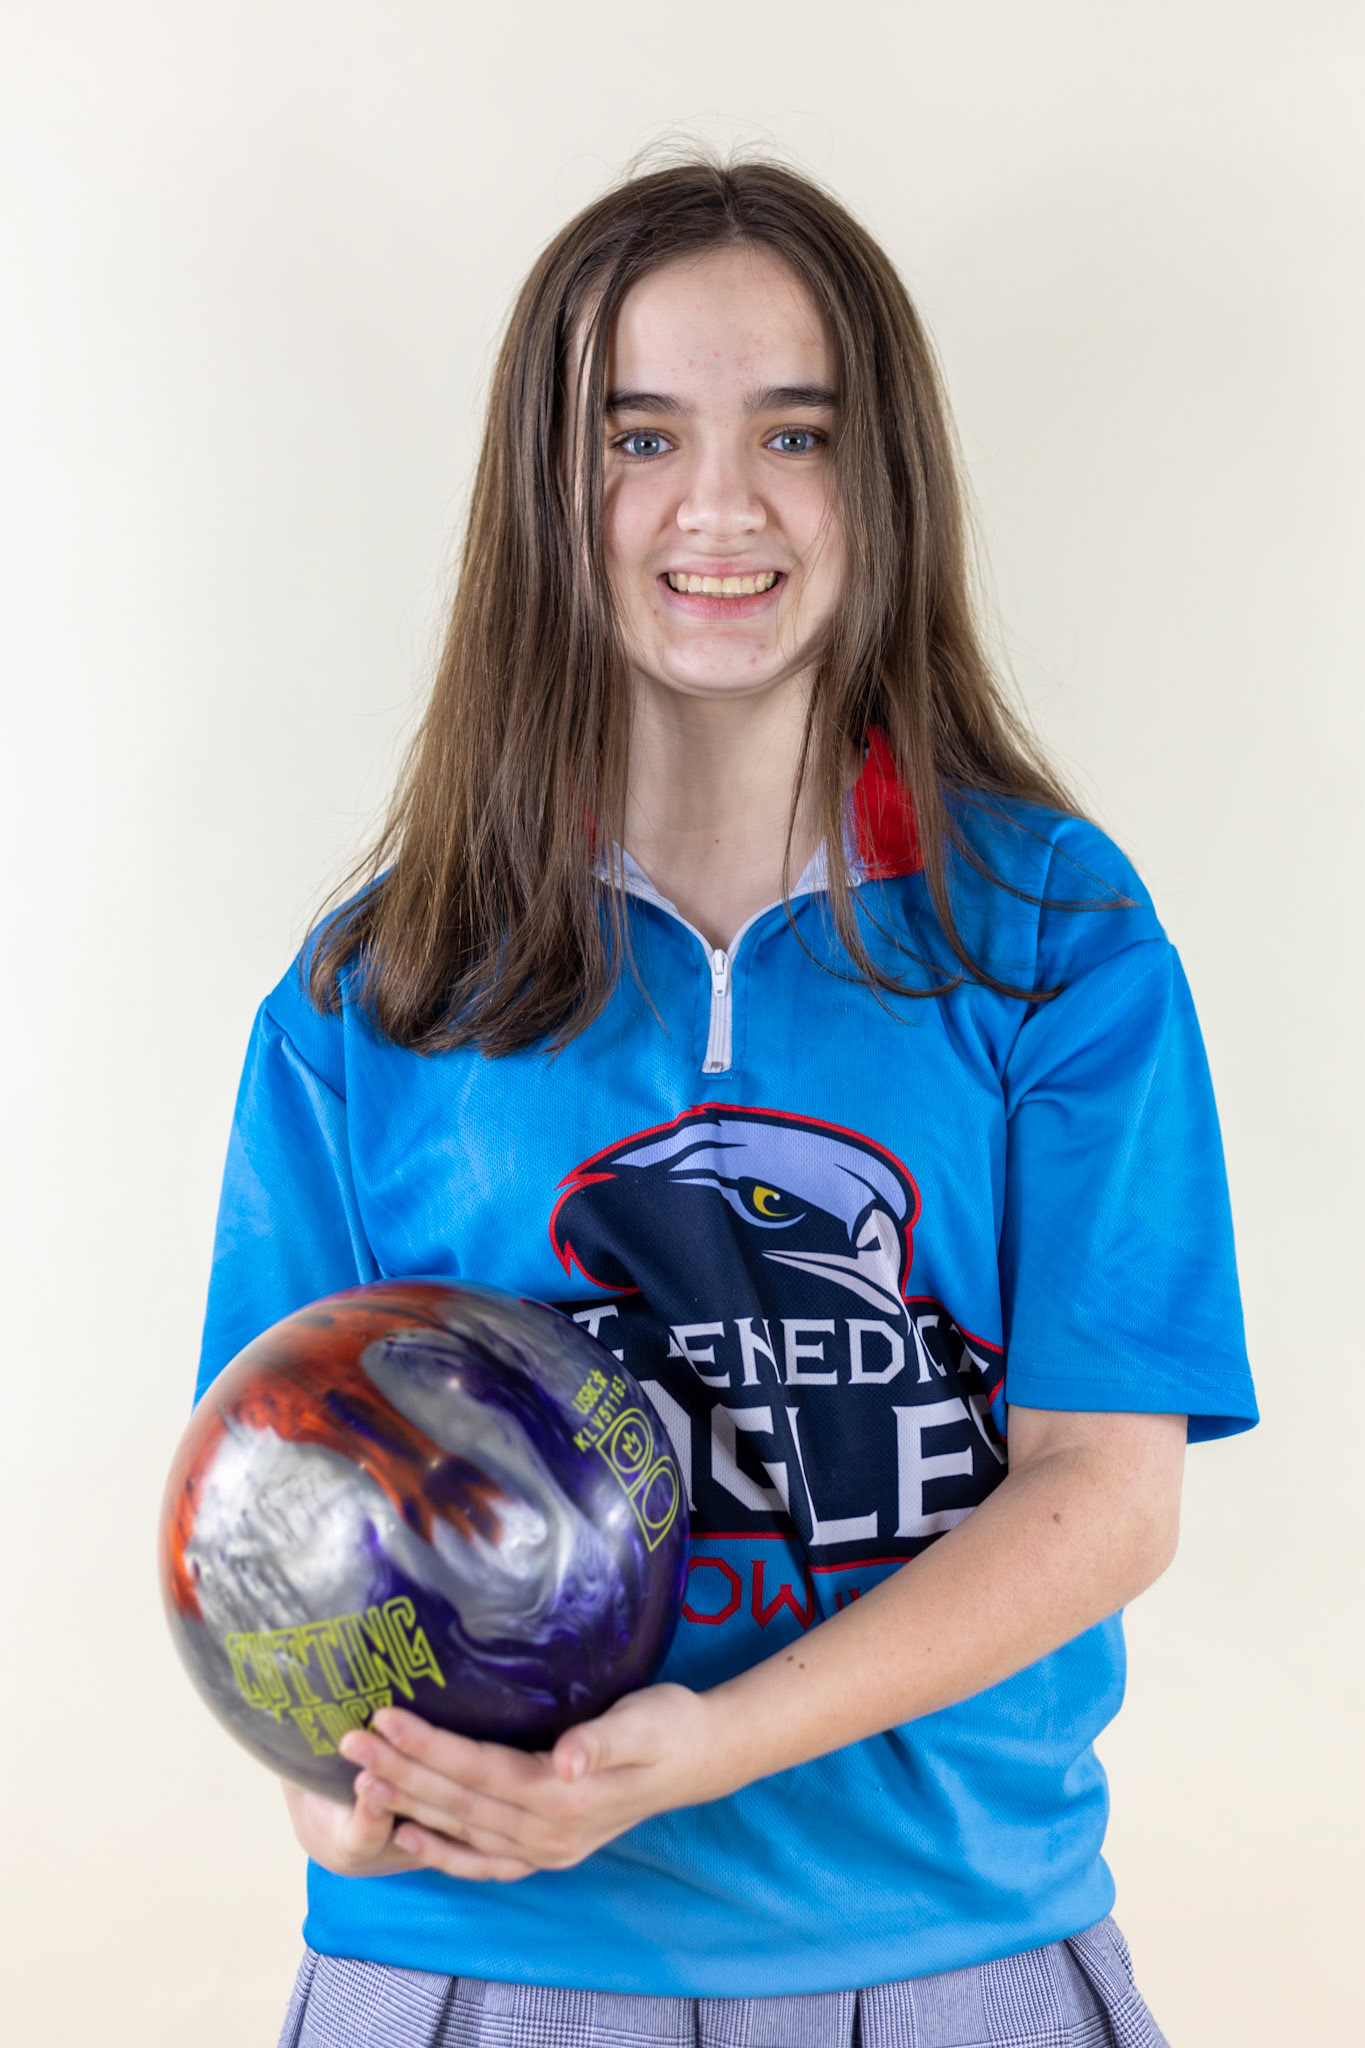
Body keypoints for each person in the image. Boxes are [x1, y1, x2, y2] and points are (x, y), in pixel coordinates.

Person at [197, 157, 1258, 2048]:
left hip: (953, 1957)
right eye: (636, 435)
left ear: (884, 484)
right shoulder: (380, 983)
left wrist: (702, 1749)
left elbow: (1102, 1493)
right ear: (548, 490)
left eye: (796, 433)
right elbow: (269, 1526)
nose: (718, 506)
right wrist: (337, 1780)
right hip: (481, 1971)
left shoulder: (1051, 935)